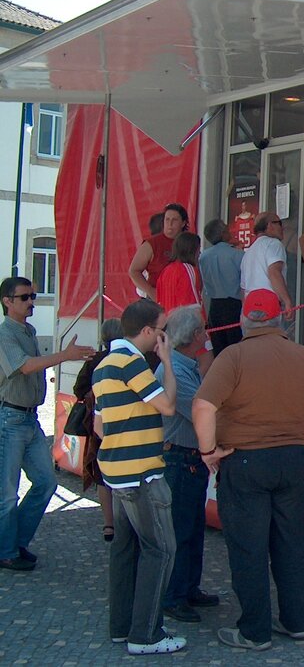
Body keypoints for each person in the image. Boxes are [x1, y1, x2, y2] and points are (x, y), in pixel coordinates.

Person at [192, 290, 304, 651]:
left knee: (248, 548)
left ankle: (254, 631)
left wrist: (207, 451)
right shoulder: (303, 355)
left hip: (247, 460)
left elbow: (203, 406)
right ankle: (297, 622)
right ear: (281, 318)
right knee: (293, 544)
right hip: (295, 458)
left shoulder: (233, 356)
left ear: (245, 320)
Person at [92, 299, 184, 655]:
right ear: (147, 331)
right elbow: (168, 406)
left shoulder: (105, 364)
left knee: (125, 551)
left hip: (116, 472)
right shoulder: (132, 363)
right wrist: (168, 363)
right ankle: (146, 635)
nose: (163, 336)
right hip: (142, 473)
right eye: (160, 330)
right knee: (161, 550)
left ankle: (122, 626)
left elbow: (100, 425)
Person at [0, 277, 95, 571]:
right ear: (7, 302)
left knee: (46, 483)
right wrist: (64, 356)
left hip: (29, 418)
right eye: (25, 297)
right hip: (10, 419)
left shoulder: (28, 330)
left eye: (33, 295)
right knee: (7, 494)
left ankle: (15, 543)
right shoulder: (6, 334)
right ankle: (6, 551)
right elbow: (25, 366)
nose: (31, 301)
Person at [155, 305, 220, 624]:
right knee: (180, 530)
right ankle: (174, 595)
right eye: (203, 331)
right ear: (194, 336)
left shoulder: (185, 365)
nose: (207, 335)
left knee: (193, 528)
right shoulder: (176, 371)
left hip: (188, 458)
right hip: (179, 457)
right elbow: (199, 411)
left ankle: (188, 588)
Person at [72, 318, 123, 543]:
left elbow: (78, 389)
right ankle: (126, 524)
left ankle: (109, 524)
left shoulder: (95, 359)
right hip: (124, 423)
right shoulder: (129, 358)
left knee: (102, 475)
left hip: (98, 424)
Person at [198, 218, 243, 355]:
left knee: (218, 349)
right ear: (223, 233)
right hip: (233, 306)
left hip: (214, 307)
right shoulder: (237, 254)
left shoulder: (202, 257)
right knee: (236, 348)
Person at [129, 203, 189, 299]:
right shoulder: (152, 243)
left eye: (175, 220)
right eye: (167, 219)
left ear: (183, 223)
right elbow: (133, 271)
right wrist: (150, 290)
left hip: (182, 298)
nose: (170, 224)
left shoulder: (189, 243)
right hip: (157, 299)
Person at [240, 212, 294, 317]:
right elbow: (274, 272)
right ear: (269, 225)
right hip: (268, 305)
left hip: (250, 307)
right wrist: (287, 301)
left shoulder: (248, 252)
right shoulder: (274, 244)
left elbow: (243, 288)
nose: (282, 228)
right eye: (280, 223)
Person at [156, 232, 203, 314]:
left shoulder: (166, 270)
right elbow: (192, 303)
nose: (199, 253)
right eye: (199, 249)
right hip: (185, 322)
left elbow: (160, 300)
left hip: (169, 320)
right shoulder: (187, 269)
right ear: (192, 250)